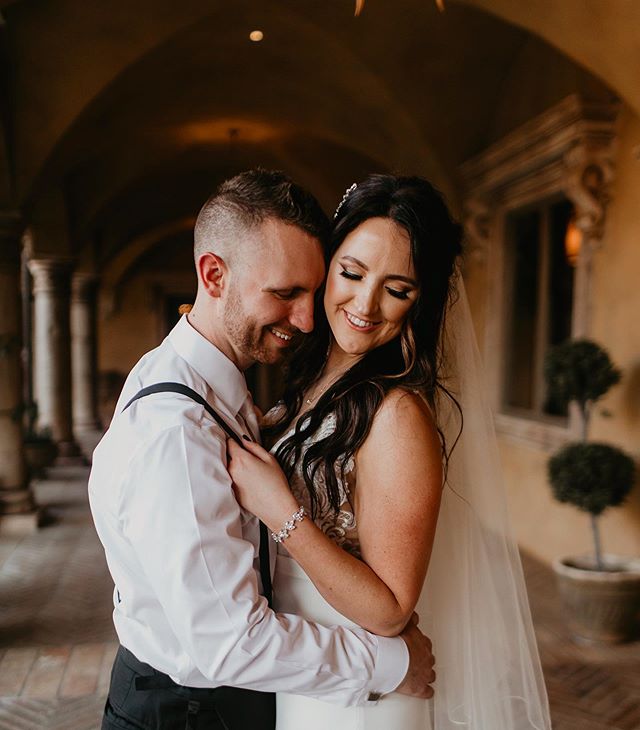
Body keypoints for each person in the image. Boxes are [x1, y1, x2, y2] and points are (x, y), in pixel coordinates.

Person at [88, 169, 436, 730]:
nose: (304, 319)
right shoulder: (178, 432)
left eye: (312, 291)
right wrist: (391, 663)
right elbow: (228, 644)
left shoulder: (217, 389)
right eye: (285, 293)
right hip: (191, 712)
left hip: (280, 695)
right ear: (214, 274)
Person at [228, 174, 553, 729]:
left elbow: (391, 609)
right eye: (352, 273)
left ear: (418, 303)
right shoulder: (311, 380)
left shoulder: (397, 416)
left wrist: (281, 510)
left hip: (361, 700)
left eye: (397, 289)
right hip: (313, 674)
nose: (366, 303)